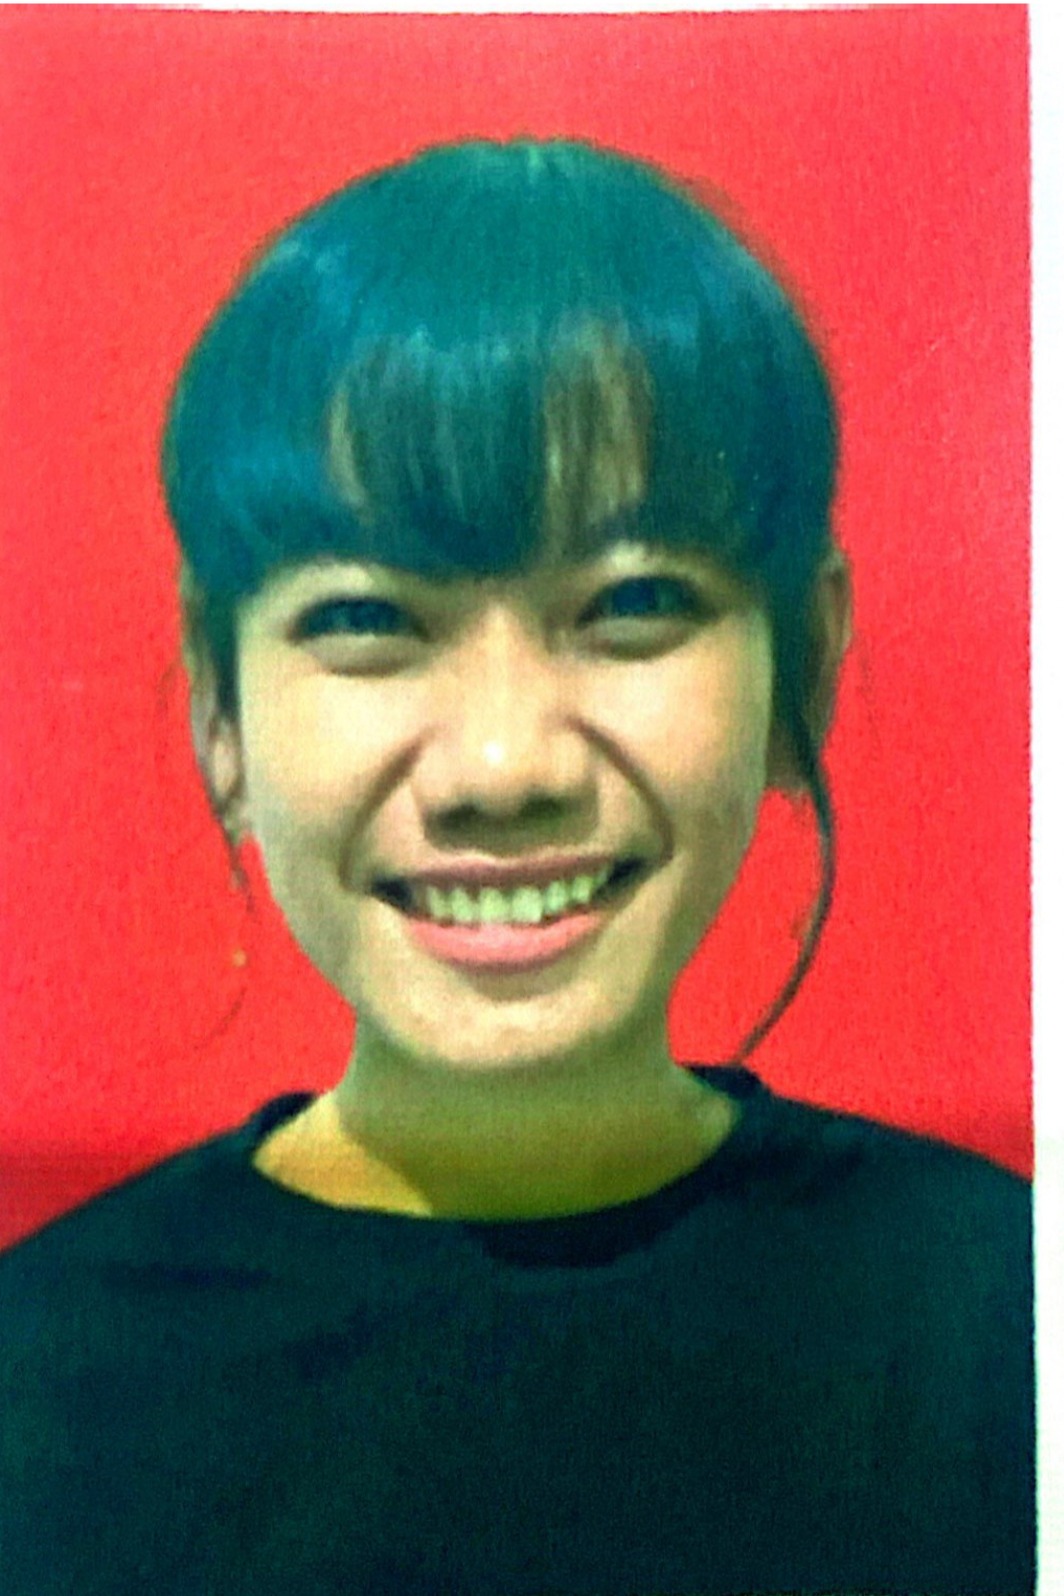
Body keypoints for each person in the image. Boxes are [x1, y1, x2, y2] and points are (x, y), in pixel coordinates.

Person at [0, 139, 1033, 1595]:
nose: (502, 767)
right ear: (219, 709)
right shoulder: (41, 1377)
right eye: (366, 619)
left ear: (803, 657)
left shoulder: (1005, 1315)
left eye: (634, 603)